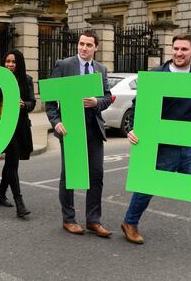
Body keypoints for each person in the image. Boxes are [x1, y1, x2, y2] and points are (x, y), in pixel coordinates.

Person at [121, 33, 191, 262]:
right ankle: (129, 223)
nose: (179, 53)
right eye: (176, 49)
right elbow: (138, 105)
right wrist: (131, 127)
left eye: (184, 49)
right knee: (147, 187)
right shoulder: (156, 75)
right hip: (161, 145)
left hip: (190, 145)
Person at [45, 30, 113, 237]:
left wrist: (96, 102)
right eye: (81, 44)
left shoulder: (100, 69)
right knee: (71, 175)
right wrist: (56, 122)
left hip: (93, 128)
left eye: (88, 45)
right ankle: (69, 219)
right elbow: (50, 101)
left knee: (96, 175)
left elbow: (108, 97)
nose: (84, 48)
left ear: (96, 47)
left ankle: (93, 220)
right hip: (71, 129)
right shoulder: (64, 65)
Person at [0, 49, 35, 218]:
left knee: (11, 163)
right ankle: (19, 203)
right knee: (13, 163)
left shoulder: (26, 80)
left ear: (19, 64)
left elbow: (32, 103)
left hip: (19, 127)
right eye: (7, 61)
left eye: (13, 62)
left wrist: (24, 105)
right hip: (2, 127)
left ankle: (0, 193)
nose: (10, 65)